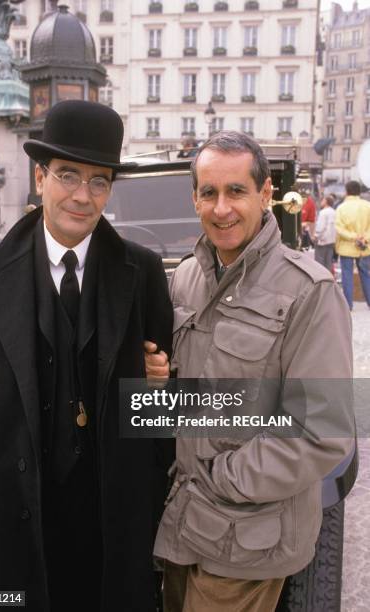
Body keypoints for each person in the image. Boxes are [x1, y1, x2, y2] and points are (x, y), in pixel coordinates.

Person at [0, 100, 174, 611]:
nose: (83, 196)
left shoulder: (142, 272)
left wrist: (159, 391)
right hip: (15, 514)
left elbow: (170, 393)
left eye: (99, 181)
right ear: (40, 176)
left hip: (113, 519)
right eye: (69, 175)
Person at [153, 131, 353, 612]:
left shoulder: (310, 292)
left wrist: (224, 480)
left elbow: (323, 429)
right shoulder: (186, 277)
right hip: (181, 526)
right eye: (209, 192)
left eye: (236, 191)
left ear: (265, 196)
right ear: (194, 199)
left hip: (246, 540)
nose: (222, 208)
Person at [335, 180, 370, 310]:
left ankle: (348, 305)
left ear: (346, 191)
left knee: (347, 275)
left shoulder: (341, 207)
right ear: (360, 192)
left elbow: (339, 228)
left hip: (346, 247)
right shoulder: (367, 206)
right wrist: (364, 238)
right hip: (365, 247)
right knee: (366, 274)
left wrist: (353, 237)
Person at [314, 194, 336, 272]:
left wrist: (316, 235)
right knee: (328, 262)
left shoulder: (323, 212)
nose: (321, 202)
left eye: (323, 200)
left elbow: (320, 227)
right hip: (331, 241)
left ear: (326, 202)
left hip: (322, 241)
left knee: (320, 263)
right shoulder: (334, 212)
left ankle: (320, 281)